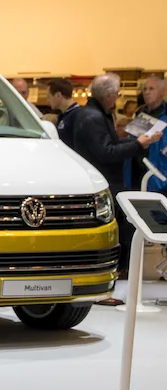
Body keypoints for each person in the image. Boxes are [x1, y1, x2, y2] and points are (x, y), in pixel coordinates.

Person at [72, 73, 161, 303]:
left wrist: (136, 142)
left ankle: (106, 285)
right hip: (104, 183)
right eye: (117, 92)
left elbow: (109, 145)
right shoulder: (93, 117)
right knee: (110, 236)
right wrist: (138, 144)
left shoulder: (95, 114)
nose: (119, 96)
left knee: (119, 233)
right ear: (109, 95)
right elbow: (107, 152)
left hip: (109, 181)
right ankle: (102, 288)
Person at [134, 76, 167, 194]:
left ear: (162, 92)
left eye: (151, 89)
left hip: (161, 173)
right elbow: (134, 138)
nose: (147, 92)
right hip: (138, 169)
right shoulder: (140, 112)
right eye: (145, 89)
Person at [46, 78, 80, 148]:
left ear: (58, 95)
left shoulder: (77, 115)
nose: (48, 101)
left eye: (49, 97)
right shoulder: (64, 115)